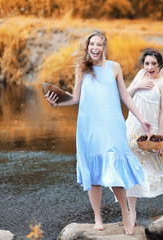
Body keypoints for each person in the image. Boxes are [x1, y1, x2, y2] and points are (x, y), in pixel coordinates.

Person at [44, 31, 152, 235]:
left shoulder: (115, 67)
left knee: (116, 171)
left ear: (105, 47)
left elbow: (125, 97)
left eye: (99, 44)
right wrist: (57, 101)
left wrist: (141, 119)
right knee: (93, 174)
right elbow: (75, 98)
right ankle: (97, 217)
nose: (95, 47)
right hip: (88, 126)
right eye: (91, 44)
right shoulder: (82, 69)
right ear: (87, 47)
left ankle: (125, 213)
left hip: (112, 126)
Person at [125, 48, 163, 225]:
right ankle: (132, 212)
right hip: (132, 128)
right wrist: (138, 85)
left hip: (151, 132)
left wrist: (160, 139)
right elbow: (126, 96)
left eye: (154, 63)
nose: (150, 67)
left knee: (157, 165)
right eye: (147, 63)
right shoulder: (140, 75)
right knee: (131, 169)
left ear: (160, 64)